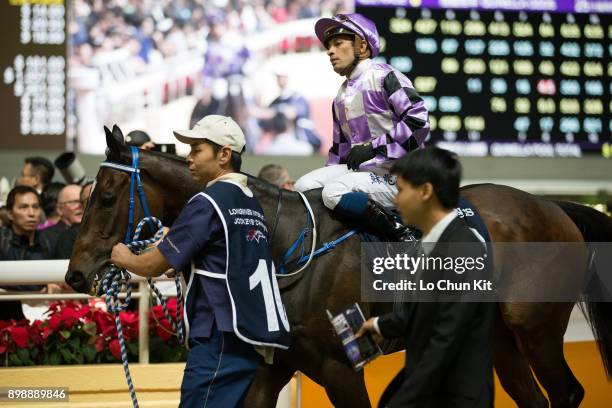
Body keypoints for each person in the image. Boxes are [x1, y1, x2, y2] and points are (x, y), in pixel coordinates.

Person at [110, 115, 290, 407]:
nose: (189, 158)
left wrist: (123, 256)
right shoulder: (249, 201)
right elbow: (225, 256)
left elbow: (151, 265)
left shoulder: (207, 202)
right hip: (250, 337)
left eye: (196, 149)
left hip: (217, 334)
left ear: (224, 155)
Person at [357, 147, 494, 408]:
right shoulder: (433, 244)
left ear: (425, 191)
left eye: (400, 190)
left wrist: (403, 401)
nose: (395, 201)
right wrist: (378, 326)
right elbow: (425, 312)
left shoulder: (463, 249)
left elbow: (446, 340)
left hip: (453, 397)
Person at [294, 13, 430, 241]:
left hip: (403, 176)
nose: (330, 51)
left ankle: (402, 233)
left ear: (363, 46)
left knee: (334, 191)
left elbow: (418, 121)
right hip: (366, 173)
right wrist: (329, 173)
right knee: (304, 186)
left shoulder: (385, 76)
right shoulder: (340, 96)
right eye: (328, 46)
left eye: (338, 44)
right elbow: (340, 152)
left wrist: (374, 148)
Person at [0, 186, 52, 320]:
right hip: (7, 313)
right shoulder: (2, 241)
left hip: (44, 310)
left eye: (35, 207)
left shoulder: (48, 240)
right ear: (10, 214)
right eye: (23, 207)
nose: (31, 213)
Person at [42, 184, 83, 255]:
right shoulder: (46, 238)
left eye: (82, 201)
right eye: (74, 202)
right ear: (59, 209)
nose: (80, 206)